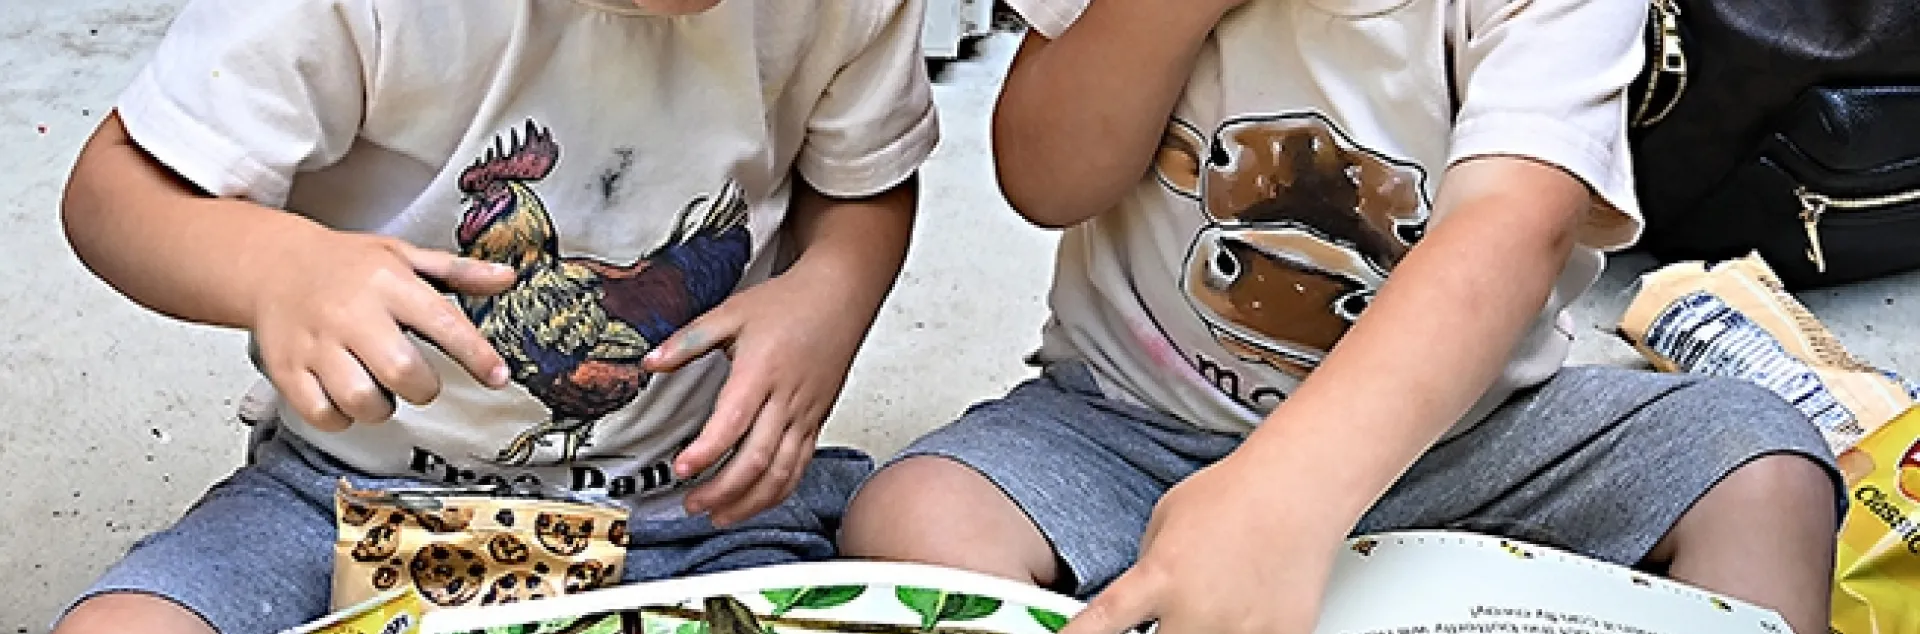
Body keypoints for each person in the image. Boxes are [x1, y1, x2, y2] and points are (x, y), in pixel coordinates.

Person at [839, 1, 1845, 633]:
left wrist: (1290, 497)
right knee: (914, 516)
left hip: (1473, 443)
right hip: (1136, 427)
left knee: (1762, 469)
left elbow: (1513, 228)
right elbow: (1046, 179)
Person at [53, 0, 938, 631]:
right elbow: (113, 191)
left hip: (691, 514)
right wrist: (274, 266)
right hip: (344, 499)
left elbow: (865, 181)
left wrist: (832, 294)